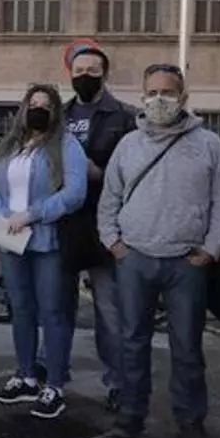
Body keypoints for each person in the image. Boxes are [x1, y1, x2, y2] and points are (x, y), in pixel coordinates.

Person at [97, 63, 220, 438]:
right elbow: (110, 197)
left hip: (185, 262)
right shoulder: (129, 145)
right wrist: (113, 242)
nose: (160, 100)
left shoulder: (208, 144)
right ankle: (130, 414)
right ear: (143, 97)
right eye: (152, 92)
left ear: (183, 97)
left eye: (168, 92)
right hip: (134, 258)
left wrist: (210, 249)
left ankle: (190, 421)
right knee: (131, 341)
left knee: (187, 346)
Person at [0, 84, 88, 419]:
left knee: (53, 311)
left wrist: (32, 214)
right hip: (10, 238)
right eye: (33, 103)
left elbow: (75, 193)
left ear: (55, 111)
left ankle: (54, 384)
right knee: (21, 309)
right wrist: (3, 215)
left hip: (46, 239)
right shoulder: (9, 145)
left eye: (46, 104)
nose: (38, 109)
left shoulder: (66, 145)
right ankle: (26, 376)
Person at [54, 45, 138, 411]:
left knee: (110, 311)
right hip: (64, 224)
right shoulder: (59, 115)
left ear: (105, 72)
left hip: (105, 226)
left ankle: (118, 383)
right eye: (79, 70)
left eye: (92, 69)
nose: (85, 75)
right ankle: (53, 375)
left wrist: (99, 174)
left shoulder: (125, 116)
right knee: (58, 306)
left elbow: (133, 173)